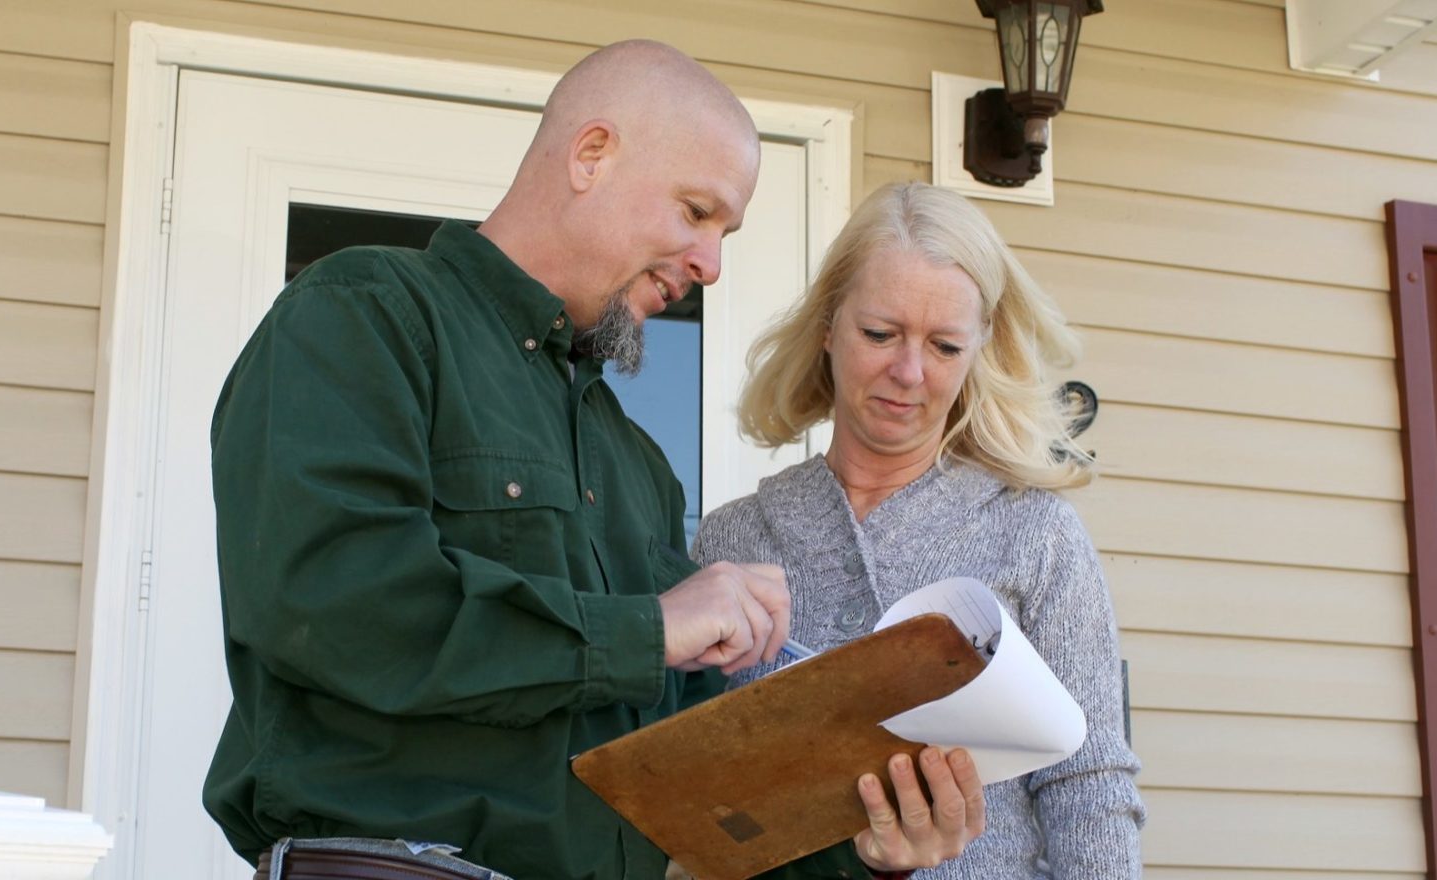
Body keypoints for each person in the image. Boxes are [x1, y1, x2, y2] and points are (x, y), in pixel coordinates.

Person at [204, 41, 980, 880]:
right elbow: (331, 603)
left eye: (725, 232)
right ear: (591, 155)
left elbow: (679, 776)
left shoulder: (638, 464)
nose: (711, 265)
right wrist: (649, 628)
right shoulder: (369, 315)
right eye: (695, 212)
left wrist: (865, 847)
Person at [694, 181, 1148, 879]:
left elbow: (1088, 784)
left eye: (943, 346)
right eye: (880, 334)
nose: (909, 373)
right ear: (827, 324)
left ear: (977, 353)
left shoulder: (1035, 533)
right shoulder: (734, 541)